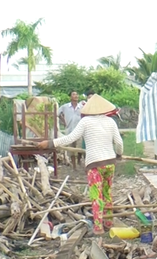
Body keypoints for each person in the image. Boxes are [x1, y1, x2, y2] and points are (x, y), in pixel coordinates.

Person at [38, 95, 123, 235]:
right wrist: (119, 155)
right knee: (107, 193)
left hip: (94, 165)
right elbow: (119, 143)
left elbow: (70, 138)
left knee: (96, 196)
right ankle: (108, 222)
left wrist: (51, 143)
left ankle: (98, 227)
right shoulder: (110, 122)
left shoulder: (85, 122)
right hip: (109, 163)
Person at [57, 91, 85, 168]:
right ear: (70, 97)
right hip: (69, 130)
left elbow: (85, 115)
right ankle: (74, 166)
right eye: (74, 94)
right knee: (71, 149)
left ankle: (79, 161)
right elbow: (58, 113)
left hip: (79, 131)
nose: (76, 96)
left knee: (79, 148)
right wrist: (63, 121)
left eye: (77, 94)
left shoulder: (81, 107)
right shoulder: (65, 107)